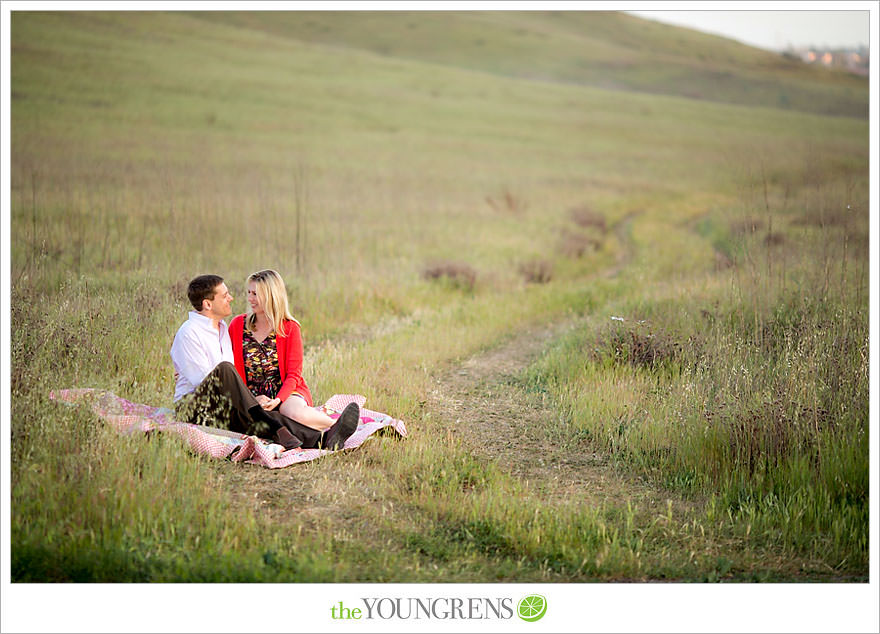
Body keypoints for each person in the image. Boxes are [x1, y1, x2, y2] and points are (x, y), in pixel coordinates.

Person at [170, 274, 359, 451]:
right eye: (225, 295)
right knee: (228, 373)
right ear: (207, 304)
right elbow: (210, 380)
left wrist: (251, 400)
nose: (232, 298)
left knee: (269, 416)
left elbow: (289, 372)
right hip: (194, 407)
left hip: (222, 403)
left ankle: (324, 440)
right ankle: (277, 428)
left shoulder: (221, 329)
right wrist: (249, 399)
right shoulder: (190, 333)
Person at [229, 269, 358, 442]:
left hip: (287, 392)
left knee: (291, 412)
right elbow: (234, 372)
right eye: (249, 293)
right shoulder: (238, 325)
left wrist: (278, 400)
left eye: (256, 294)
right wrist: (252, 398)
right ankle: (326, 433)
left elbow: (294, 374)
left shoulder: (289, 328)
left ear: (272, 296)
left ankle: (336, 426)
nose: (250, 299)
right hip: (252, 396)